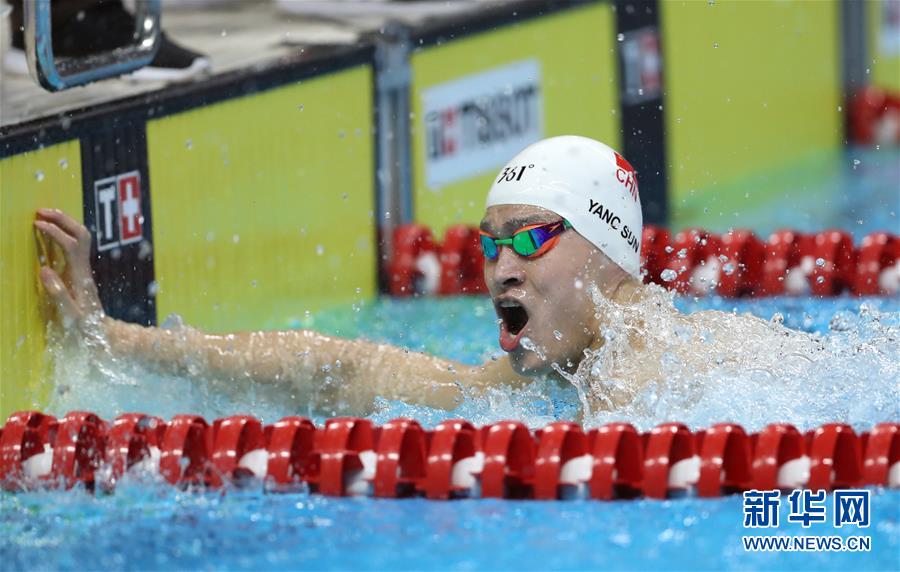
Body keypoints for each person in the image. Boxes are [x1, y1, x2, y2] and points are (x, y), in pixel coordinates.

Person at [33, 136, 811, 418]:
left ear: (608, 252)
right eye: (491, 245)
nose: (502, 270)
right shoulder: (545, 383)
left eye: (533, 239)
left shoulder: (648, 372)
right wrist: (111, 335)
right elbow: (342, 370)